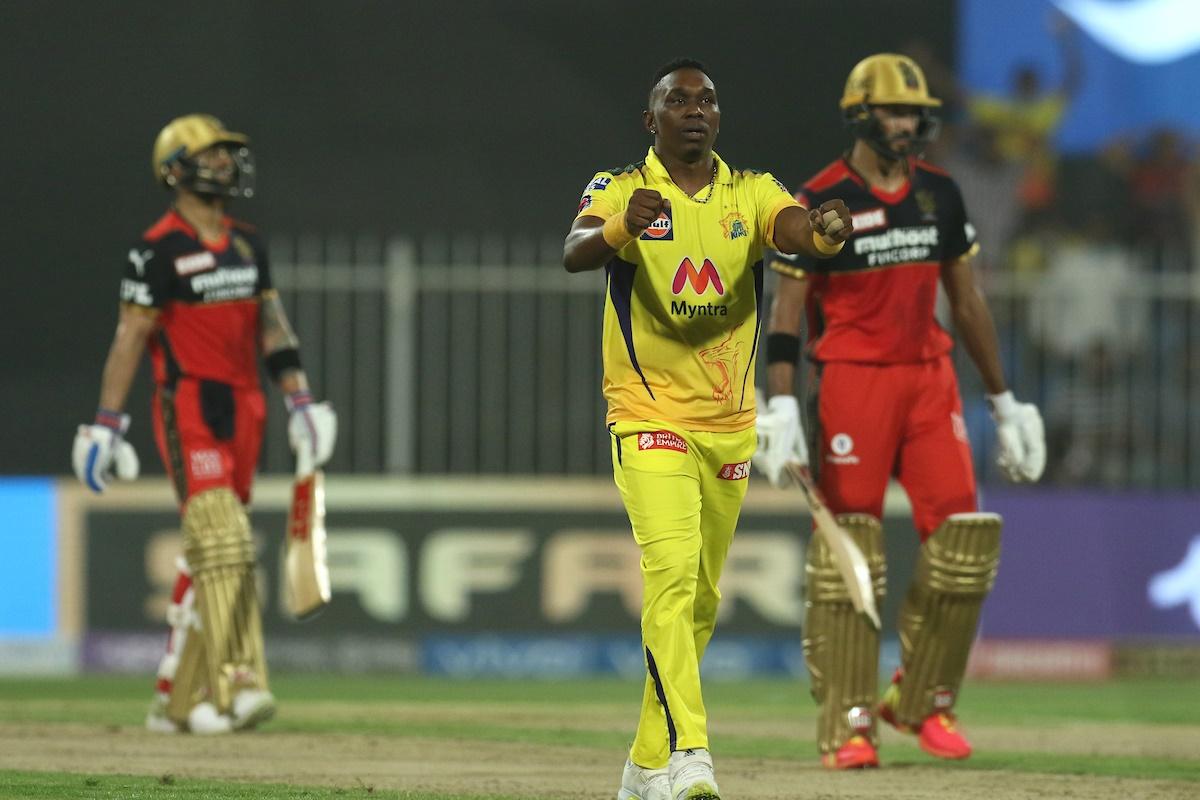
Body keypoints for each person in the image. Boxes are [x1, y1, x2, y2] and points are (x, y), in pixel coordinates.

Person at [562, 59, 852, 800]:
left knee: (699, 601)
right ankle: (691, 754)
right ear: (650, 119)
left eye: (708, 100)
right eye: (678, 100)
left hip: (728, 426)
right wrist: (628, 226)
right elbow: (575, 251)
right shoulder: (622, 186)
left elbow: (792, 229)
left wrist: (820, 234)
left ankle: (640, 766)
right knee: (668, 580)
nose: (696, 110)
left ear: (718, 118)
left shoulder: (750, 190)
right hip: (646, 414)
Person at [754, 54, 1045, 769]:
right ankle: (848, 722)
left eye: (915, 111)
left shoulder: (940, 194)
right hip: (854, 380)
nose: (907, 123)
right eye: (893, 110)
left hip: (929, 380)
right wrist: (782, 400)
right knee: (849, 550)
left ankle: (921, 702)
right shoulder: (821, 199)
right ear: (860, 113)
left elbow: (968, 301)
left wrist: (1004, 402)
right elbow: (786, 306)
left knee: (965, 543)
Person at [71, 114, 336, 734]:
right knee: (224, 540)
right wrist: (106, 424)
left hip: (248, 406)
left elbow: (272, 328)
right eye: (210, 154)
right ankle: (241, 681)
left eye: (226, 154)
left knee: (210, 556)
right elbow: (131, 335)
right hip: (189, 401)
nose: (223, 163)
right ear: (174, 170)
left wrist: (300, 399)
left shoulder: (246, 244)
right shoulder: (156, 248)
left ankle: (177, 701)